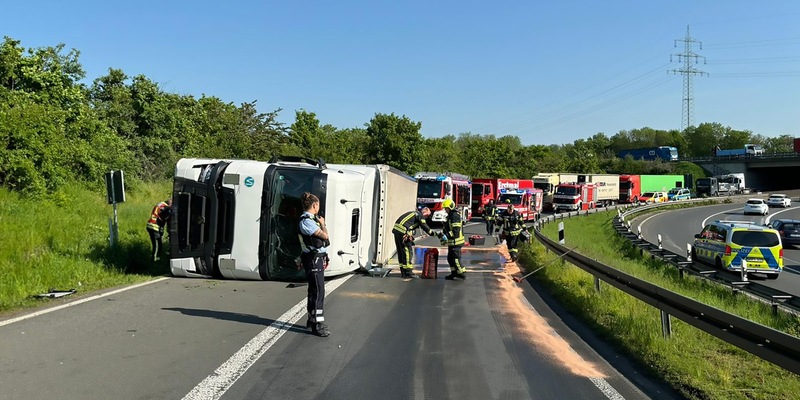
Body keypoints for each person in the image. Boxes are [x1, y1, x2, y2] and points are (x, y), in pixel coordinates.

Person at [298, 192, 331, 337]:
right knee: (318, 291)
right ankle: (317, 324)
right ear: (314, 205)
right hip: (313, 259)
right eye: (318, 205)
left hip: (315, 257)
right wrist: (323, 224)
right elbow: (325, 236)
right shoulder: (307, 221)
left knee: (314, 290)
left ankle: (311, 321)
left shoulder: (310, 220)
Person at [392, 207, 436, 278]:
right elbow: (424, 226)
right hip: (403, 232)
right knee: (407, 252)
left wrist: (410, 234)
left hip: (397, 231)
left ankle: (403, 271)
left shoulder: (413, 214)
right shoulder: (419, 215)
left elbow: (410, 226)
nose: (427, 217)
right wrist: (433, 233)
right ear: (424, 212)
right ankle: (408, 272)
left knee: (401, 252)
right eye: (427, 215)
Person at [441, 199, 466, 280]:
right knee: (450, 258)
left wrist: (446, 236)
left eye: (446, 208)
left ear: (451, 207)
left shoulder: (455, 216)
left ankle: (462, 273)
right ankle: (454, 273)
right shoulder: (450, 216)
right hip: (452, 242)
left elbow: (455, 231)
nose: (445, 210)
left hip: (456, 242)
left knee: (456, 259)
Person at [146, 198, 172, 262]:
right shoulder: (167, 208)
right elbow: (166, 218)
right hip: (154, 226)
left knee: (159, 244)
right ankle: (154, 261)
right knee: (157, 245)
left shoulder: (161, 205)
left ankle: (157, 259)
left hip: (151, 225)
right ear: (170, 204)